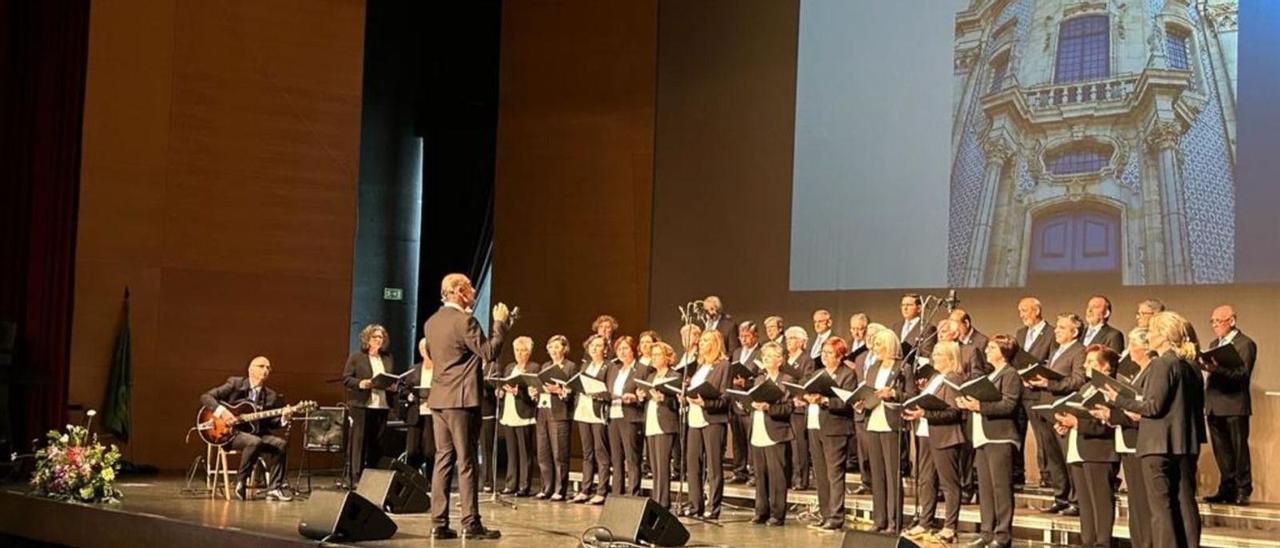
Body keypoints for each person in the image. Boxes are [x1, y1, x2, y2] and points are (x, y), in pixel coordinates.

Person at [1101, 311, 1205, 548]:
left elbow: (1153, 406)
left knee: (1161, 508)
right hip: (1184, 443)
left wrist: (1118, 399)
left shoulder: (1161, 363)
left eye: (1153, 332)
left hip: (1158, 444)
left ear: (1165, 336)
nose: (1149, 337)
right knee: (1185, 503)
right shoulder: (1190, 365)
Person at [422, 273, 508, 540]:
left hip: (439, 399)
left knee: (443, 460)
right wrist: (500, 325)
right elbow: (489, 352)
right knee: (467, 461)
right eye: (470, 287)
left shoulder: (431, 322)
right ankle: (471, 524)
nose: (472, 291)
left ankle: (439, 522)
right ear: (459, 291)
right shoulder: (464, 321)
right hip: (461, 400)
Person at [955, 335, 1023, 548]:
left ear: (1003, 351)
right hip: (983, 436)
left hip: (1000, 436)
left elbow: (1009, 405)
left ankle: (1002, 535)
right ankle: (986, 532)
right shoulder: (992, 375)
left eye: (991, 347)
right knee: (985, 487)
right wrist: (967, 403)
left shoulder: (1010, 374)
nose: (986, 351)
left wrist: (979, 407)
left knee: (1001, 487)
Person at [1091, 328, 1155, 548]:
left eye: (1132, 344)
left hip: (1139, 441)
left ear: (1145, 348)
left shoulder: (1151, 372)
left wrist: (1113, 413)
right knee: (1135, 504)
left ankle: (1145, 543)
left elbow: (1142, 412)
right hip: (1127, 441)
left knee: (1142, 503)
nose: (1128, 349)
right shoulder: (1138, 373)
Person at [200, 356, 294, 501]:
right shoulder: (235, 384)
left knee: (280, 444)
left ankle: (274, 488)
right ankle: (241, 481)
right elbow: (206, 397)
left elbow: (270, 423)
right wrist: (222, 412)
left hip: (256, 433)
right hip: (230, 434)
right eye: (261, 366)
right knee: (254, 441)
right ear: (250, 369)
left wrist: (284, 418)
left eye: (268, 368)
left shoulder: (271, 396)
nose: (265, 370)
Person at [1055, 346, 1119, 548]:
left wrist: (1078, 424)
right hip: (1080, 448)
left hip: (1099, 451)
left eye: (1091, 362)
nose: (1085, 365)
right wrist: (1065, 424)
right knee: (1085, 503)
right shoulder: (1086, 388)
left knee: (1100, 502)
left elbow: (1108, 424)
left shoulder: (1113, 389)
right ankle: (1088, 542)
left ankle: (1102, 543)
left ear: (1106, 367)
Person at [902, 341, 965, 543]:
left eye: (938, 354)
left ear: (950, 358)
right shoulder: (936, 378)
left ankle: (949, 527)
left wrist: (925, 413)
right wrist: (917, 413)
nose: (933, 358)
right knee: (926, 479)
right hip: (926, 432)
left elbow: (954, 412)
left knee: (949, 483)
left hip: (945, 435)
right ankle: (925, 522)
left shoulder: (954, 378)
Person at [1025, 313, 1086, 515]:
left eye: (1061, 328)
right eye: (1057, 327)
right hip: (1046, 407)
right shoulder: (1057, 350)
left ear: (1074, 332)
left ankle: (1075, 500)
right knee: (1054, 456)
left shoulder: (1079, 351)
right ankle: (1060, 497)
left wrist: (1049, 383)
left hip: (1064, 409)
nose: (1056, 331)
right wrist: (1035, 383)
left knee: (1067, 455)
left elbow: (1078, 380)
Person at [1203, 304, 1256, 505]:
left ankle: (1243, 489)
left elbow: (1242, 375)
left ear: (1231, 321)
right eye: (1213, 321)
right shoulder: (1214, 343)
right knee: (1221, 451)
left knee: (1238, 449)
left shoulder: (1245, 344)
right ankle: (1226, 487)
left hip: (1234, 404)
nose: (1215, 325)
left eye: (1219, 321)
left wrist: (1216, 369)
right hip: (1215, 404)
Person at [856, 328, 906, 534]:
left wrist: (893, 392)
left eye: (878, 344)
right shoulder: (873, 368)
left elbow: (909, 394)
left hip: (891, 423)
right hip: (873, 421)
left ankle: (894, 520)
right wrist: (860, 402)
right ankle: (880, 518)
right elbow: (868, 392)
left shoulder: (903, 368)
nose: (874, 348)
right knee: (877, 473)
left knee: (892, 474)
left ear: (889, 345)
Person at [805, 336, 858, 531]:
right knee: (820, 473)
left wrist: (825, 401)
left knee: (834, 474)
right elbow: (805, 389)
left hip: (835, 427)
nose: (825, 357)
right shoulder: (818, 373)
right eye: (823, 353)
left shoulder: (847, 375)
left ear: (840, 356)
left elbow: (848, 403)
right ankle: (825, 513)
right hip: (815, 424)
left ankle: (836, 517)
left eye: (829, 353)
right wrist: (805, 396)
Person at [682, 330, 731, 519]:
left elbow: (725, 397)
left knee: (713, 465)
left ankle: (713, 506)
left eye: (706, 340)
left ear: (716, 343)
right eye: (701, 340)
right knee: (693, 464)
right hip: (694, 419)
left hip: (713, 419)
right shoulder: (699, 366)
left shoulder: (723, 365)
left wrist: (706, 403)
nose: (702, 343)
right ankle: (695, 505)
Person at [747, 341, 794, 526]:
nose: (765, 360)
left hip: (776, 430)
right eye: (764, 357)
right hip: (758, 428)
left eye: (770, 357)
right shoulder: (759, 379)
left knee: (777, 475)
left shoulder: (787, 380)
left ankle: (777, 513)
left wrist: (769, 407)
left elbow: (789, 408)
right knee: (760, 474)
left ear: (780, 360)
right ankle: (761, 511)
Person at [342, 324, 397, 483]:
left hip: (381, 405)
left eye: (381, 337)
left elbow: (389, 378)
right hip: (362, 405)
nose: (378, 340)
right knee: (359, 442)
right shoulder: (356, 357)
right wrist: (361, 383)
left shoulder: (387, 358)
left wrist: (392, 385)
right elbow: (346, 378)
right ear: (367, 339)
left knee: (377, 444)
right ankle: (356, 478)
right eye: (375, 337)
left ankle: (373, 479)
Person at [1015, 297, 1053, 488]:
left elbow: (1052, 362)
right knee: (1017, 433)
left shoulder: (1051, 333)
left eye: (1025, 310)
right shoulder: (1020, 333)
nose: (1022, 315)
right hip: (1020, 391)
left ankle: (1047, 476)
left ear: (1036, 311)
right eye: (1020, 311)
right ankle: (1016, 474)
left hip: (1038, 391)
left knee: (1042, 436)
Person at [534, 335, 576, 501]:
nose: (553, 350)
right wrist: (535, 392)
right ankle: (546, 487)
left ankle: (560, 489)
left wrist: (560, 391)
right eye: (551, 347)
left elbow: (573, 391)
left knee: (559, 453)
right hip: (543, 410)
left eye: (557, 347)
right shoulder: (545, 366)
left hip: (559, 412)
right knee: (543, 452)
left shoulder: (570, 367)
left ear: (564, 349)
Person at [571, 335, 611, 505]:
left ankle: (601, 490)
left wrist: (599, 393)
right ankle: (585, 489)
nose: (595, 348)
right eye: (592, 345)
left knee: (600, 451)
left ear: (605, 349)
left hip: (598, 411)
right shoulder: (585, 366)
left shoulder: (608, 367)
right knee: (587, 453)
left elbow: (610, 390)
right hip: (583, 410)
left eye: (599, 345)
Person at [642, 342, 681, 509]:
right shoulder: (651, 376)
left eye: (658, 354)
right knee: (655, 465)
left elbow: (676, 404)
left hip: (666, 421)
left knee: (663, 463)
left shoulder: (675, 376)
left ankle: (663, 501)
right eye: (653, 355)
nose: (654, 358)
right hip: (651, 420)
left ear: (667, 357)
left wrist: (664, 399)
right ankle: (656, 498)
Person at [496, 337, 537, 497]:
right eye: (517, 350)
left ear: (529, 352)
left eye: (523, 351)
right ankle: (510, 484)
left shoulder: (533, 368)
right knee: (511, 451)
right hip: (509, 411)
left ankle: (524, 485)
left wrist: (517, 392)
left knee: (524, 450)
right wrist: (499, 392)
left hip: (524, 412)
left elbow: (533, 391)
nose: (519, 354)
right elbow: (504, 384)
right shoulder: (509, 367)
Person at [606, 336, 646, 497]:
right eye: (619, 349)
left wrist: (636, 398)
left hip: (630, 415)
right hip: (613, 415)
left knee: (632, 457)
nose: (622, 352)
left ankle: (633, 494)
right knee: (616, 458)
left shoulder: (642, 369)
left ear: (633, 350)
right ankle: (616, 492)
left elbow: (644, 393)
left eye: (625, 348)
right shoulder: (614, 369)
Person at [783, 325, 815, 490]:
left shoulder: (806, 359)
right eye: (787, 339)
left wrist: (793, 386)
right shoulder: (784, 359)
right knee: (786, 446)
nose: (789, 342)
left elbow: (807, 380)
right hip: (784, 406)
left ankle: (801, 479)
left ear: (802, 341)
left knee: (799, 446)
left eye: (793, 338)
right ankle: (787, 478)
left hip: (799, 408)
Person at [729, 321, 761, 484]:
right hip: (736, 400)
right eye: (741, 336)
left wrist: (747, 383)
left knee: (751, 439)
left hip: (751, 401)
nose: (743, 339)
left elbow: (762, 377)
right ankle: (739, 471)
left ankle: (754, 472)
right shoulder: (736, 352)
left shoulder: (761, 352)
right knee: (737, 440)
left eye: (747, 336)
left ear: (755, 336)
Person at [404, 338, 436, 487]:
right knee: (412, 450)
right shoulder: (414, 369)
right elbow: (404, 389)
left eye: (427, 348)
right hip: (415, 413)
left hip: (432, 414)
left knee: (430, 451)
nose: (424, 351)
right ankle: (411, 482)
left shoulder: (440, 369)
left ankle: (431, 482)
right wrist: (409, 395)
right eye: (422, 348)